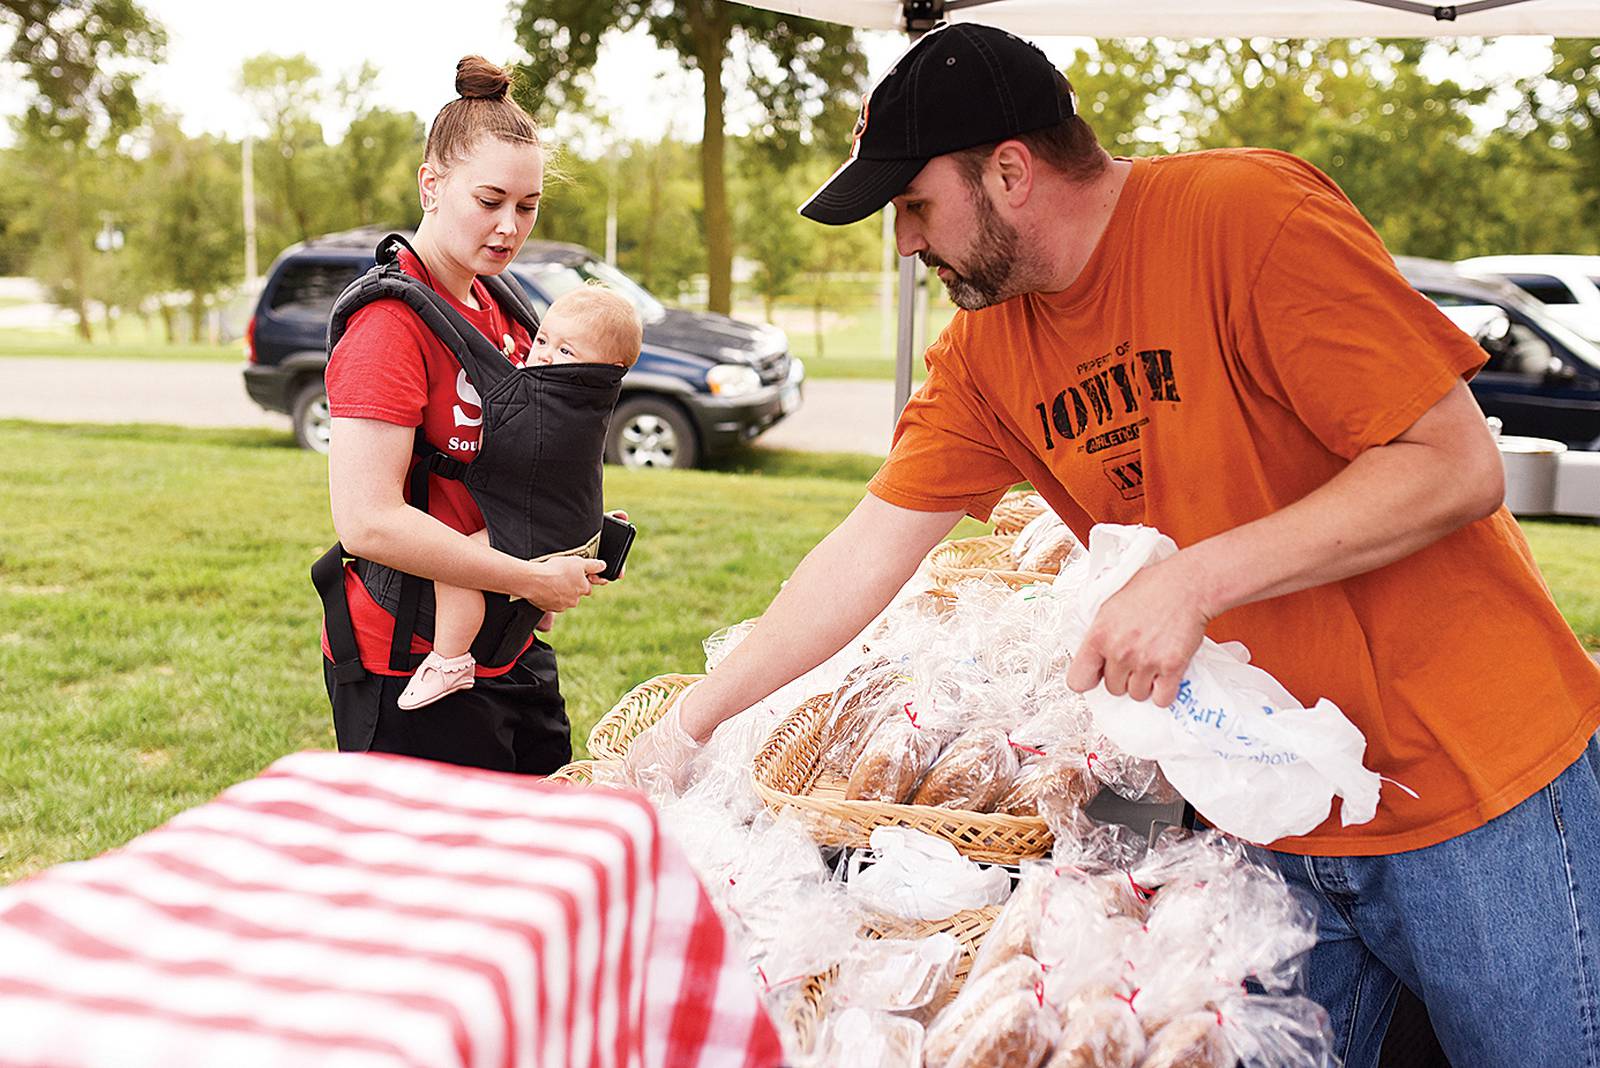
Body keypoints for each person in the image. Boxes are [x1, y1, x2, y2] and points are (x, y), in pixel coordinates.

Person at [626, 22, 1600, 1067]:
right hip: (1263, 812)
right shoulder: (985, 350)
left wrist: (1194, 581)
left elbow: (1452, 463)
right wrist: (695, 721)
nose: (903, 243)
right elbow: (867, 548)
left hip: (1473, 788)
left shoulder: (1246, 217)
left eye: (913, 206)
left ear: (1009, 172)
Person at [318, 55, 615, 775]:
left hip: (509, 646)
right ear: (431, 184)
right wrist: (522, 575)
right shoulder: (389, 327)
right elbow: (367, 521)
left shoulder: (506, 308)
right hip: (410, 664)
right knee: (440, 884)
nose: (510, 226)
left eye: (528, 205)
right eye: (490, 201)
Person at [398, 285, 642, 710]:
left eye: (566, 352)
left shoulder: (560, 402)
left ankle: (450, 661)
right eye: (543, 340)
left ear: (610, 367)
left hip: (549, 533)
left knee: (455, 567)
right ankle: (536, 606)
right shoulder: (590, 400)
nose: (544, 356)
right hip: (575, 525)